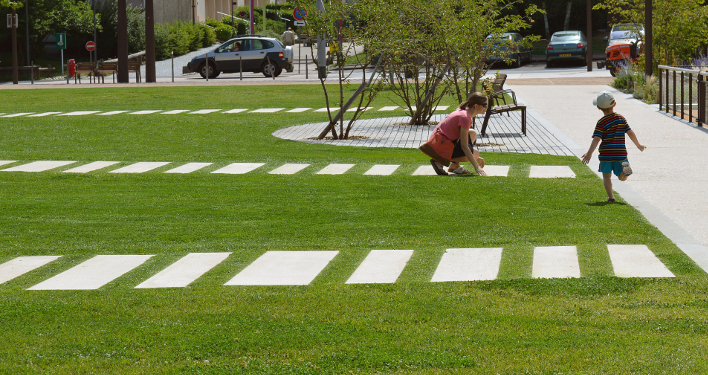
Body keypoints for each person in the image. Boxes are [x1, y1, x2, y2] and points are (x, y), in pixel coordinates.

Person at [582, 90, 646, 202]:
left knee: (607, 176)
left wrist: (589, 154)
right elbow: (630, 132)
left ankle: (611, 197)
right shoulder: (621, 118)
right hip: (620, 154)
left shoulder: (601, 122)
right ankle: (624, 173)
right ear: (614, 104)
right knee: (621, 178)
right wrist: (638, 145)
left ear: (598, 107)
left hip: (606, 155)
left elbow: (596, 139)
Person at [418, 92, 488, 176]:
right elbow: (464, 146)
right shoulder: (465, 117)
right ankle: (438, 161)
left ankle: (455, 166)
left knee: (472, 133)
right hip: (438, 147)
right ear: (476, 106)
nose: (486, 107)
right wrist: (476, 165)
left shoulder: (463, 112)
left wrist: (476, 158)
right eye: (484, 105)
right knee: (475, 153)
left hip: (440, 143)